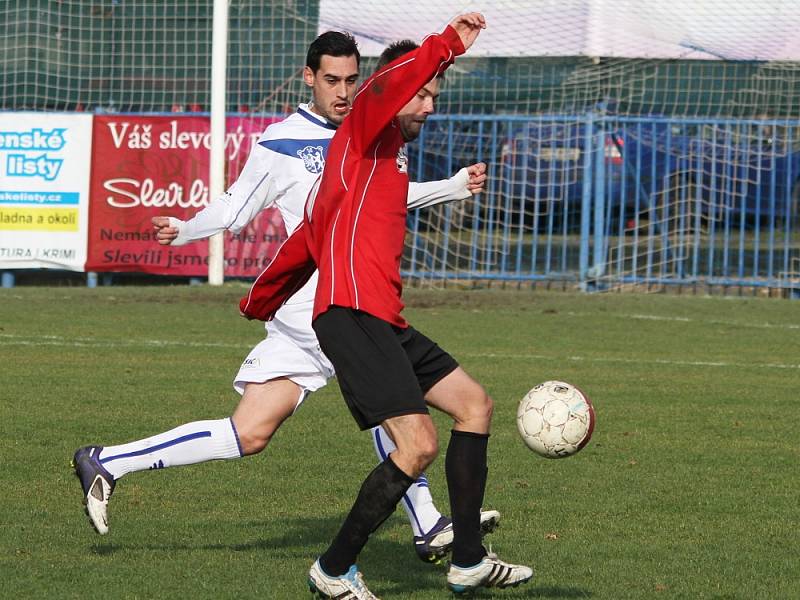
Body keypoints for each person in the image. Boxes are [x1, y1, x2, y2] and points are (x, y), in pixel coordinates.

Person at [71, 30, 498, 564]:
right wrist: (183, 229)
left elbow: (380, 201)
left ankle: (108, 460)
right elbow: (234, 208)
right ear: (309, 78)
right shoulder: (282, 141)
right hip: (323, 309)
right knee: (398, 403)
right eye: (331, 80)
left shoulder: (370, 132)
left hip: (329, 306)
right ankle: (424, 524)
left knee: (249, 432)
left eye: (350, 80)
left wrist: (449, 186)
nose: (342, 92)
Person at [240, 14, 533, 598]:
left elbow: (311, 235)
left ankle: (468, 559)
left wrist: (263, 295)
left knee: (474, 405)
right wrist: (445, 48)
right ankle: (334, 568)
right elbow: (389, 83)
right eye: (421, 94)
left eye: (433, 96)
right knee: (418, 445)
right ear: (396, 88)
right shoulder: (365, 126)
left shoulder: (386, 159)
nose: (428, 106)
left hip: (382, 318)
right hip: (350, 315)